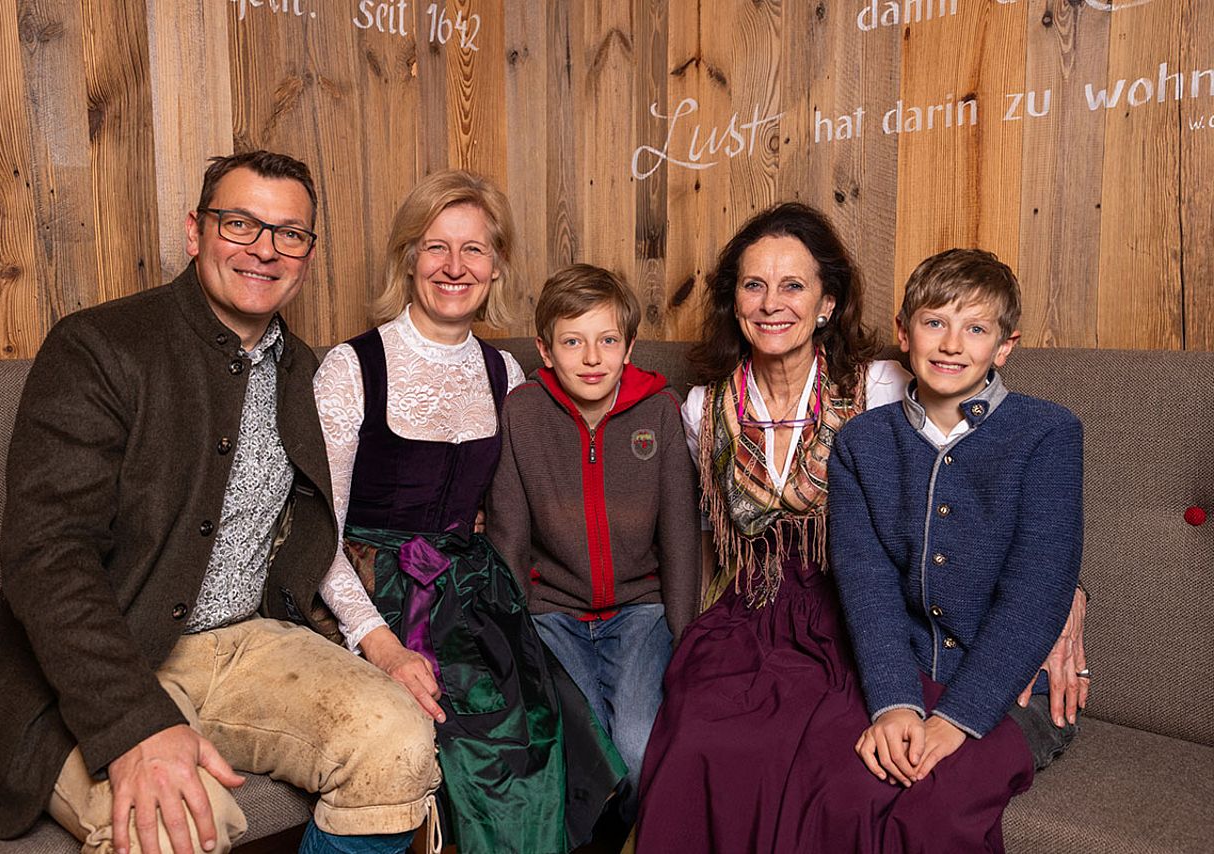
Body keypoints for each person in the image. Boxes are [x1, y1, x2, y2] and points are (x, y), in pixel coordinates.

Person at [0, 151, 439, 854]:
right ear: (195, 231)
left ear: (307, 255)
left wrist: (378, 643)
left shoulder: (304, 370)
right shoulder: (99, 346)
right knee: (175, 824)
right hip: (103, 658)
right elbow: (47, 554)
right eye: (240, 223)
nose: (264, 250)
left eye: (289, 233)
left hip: (248, 644)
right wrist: (134, 723)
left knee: (398, 741)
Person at [634, 203, 1088, 853]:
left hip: (846, 621)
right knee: (715, 745)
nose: (771, 302)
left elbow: (1014, 545)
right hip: (771, 617)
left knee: (864, 783)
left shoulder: (886, 386)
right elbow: (708, 542)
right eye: (754, 285)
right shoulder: (710, 410)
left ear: (826, 303)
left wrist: (1068, 596)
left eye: (793, 285)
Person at [313, 171, 623, 854]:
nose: (455, 266)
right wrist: (381, 645)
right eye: (436, 247)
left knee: (560, 733)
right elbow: (317, 538)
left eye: (474, 249)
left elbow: (526, 501)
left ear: (496, 265)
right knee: (473, 746)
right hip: (370, 591)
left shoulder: (503, 372)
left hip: (475, 592)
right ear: (409, 257)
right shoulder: (350, 368)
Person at [828, 248, 1082, 845]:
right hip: (905, 673)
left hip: (1014, 690)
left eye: (975, 329)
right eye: (935, 322)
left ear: (1005, 346)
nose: (950, 344)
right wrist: (895, 704)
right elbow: (867, 588)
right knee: (846, 785)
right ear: (904, 332)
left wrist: (956, 720)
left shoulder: (1048, 433)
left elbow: (1038, 591)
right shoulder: (861, 443)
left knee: (937, 800)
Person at [486, 264, 702, 820]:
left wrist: (684, 637)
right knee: (588, 749)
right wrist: (513, 635)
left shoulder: (660, 410)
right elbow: (509, 535)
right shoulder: (522, 413)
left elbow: (680, 534)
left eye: (607, 340)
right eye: (572, 342)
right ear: (545, 349)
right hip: (552, 615)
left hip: (640, 613)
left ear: (628, 346)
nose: (591, 358)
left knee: (636, 752)